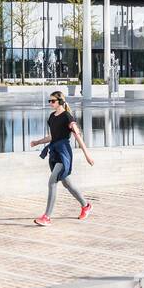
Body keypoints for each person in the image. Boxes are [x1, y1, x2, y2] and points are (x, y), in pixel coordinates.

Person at [29, 90, 94, 226]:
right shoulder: (52, 117)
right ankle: (86, 205)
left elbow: (77, 136)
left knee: (52, 181)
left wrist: (87, 154)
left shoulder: (67, 117)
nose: (50, 103)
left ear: (60, 102)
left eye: (52, 101)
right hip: (54, 153)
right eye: (49, 101)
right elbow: (52, 136)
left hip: (64, 153)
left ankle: (46, 217)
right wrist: (38, 142)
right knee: (67, 184)